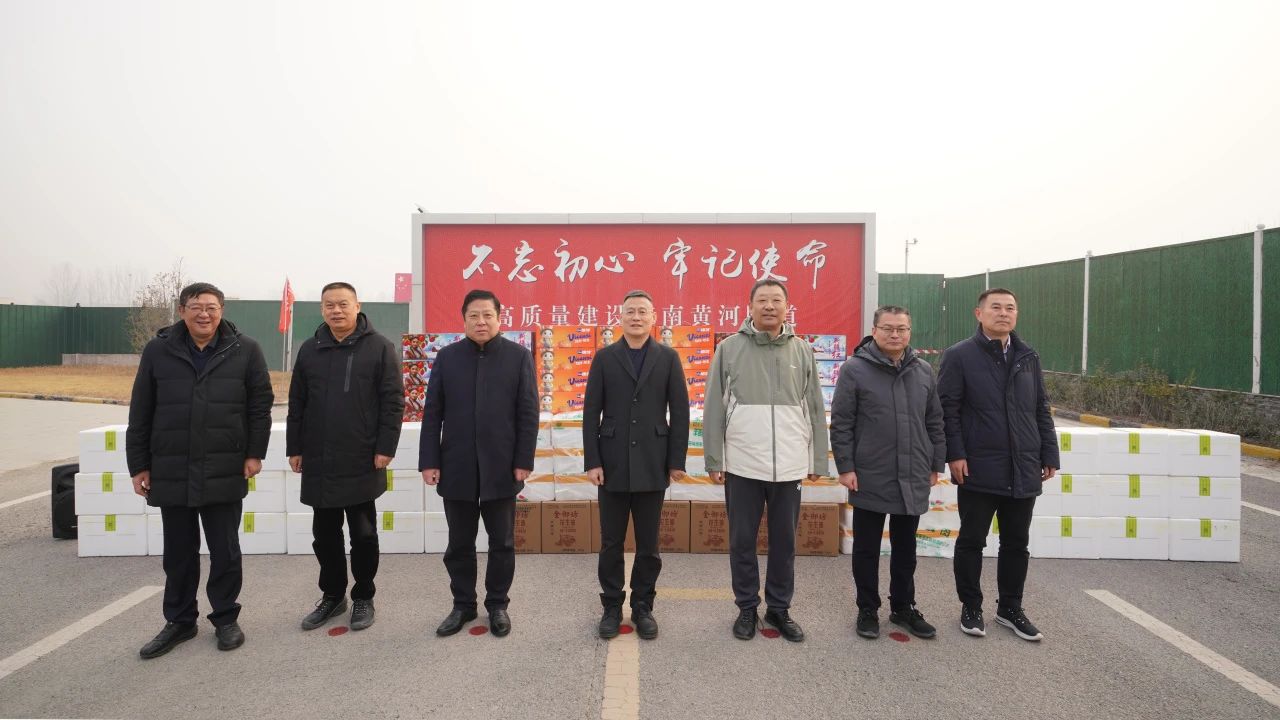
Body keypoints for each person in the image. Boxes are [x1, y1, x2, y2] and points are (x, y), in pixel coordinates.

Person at [126, 282, 273, 659]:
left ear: (221, 311)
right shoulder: (158, 350)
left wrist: (255, 453)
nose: (204, 314)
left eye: (211, 307)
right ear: (182, 311)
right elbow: (141, 409)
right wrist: (139, 465)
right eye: (196, 307)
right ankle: (179, 621)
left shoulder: (245, 349)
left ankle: (225, 618)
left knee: (225, 549)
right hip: (171, 465)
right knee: (178, 552)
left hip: (225, 465)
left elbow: (260, 407)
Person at [703, 279, 827, 643]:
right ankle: (746, 607)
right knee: (742, 540)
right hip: (743, 463)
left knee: (784, 542)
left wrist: (817, 458)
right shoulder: (729, 348)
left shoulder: (801, 350)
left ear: (787, 307)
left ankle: (779, 608)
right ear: (750, 306)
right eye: (762, 300)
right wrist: (714, 458)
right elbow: (714, 406)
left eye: (776, 300)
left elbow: (815, 406)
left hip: (789, 465)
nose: (769, 306)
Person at [938, 288, 1060, 641]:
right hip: (978, 466)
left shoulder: (1028, 356)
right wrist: (955, 454)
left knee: (1016, 543)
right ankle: (971, 607)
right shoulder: (960, 355)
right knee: (972, 541)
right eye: (996, 307)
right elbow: (948, 409)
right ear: (979, 313)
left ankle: (1010, 608)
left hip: (1023, 466)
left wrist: (1049, 453)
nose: (1003, 313)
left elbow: (1040, 408)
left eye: (1010, 308)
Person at [420, 289, 539, 637]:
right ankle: (463, 605)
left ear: (499, 318)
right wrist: (429, 460)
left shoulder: (518, 357)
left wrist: (523, 460)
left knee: (502, 542)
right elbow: (433, 414)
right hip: (456, 465)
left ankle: (498, 605)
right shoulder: (448, 358)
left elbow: (528, 413)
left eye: (488, 315)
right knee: (459, 543)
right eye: (474, 315)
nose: (481, 322)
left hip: (502, 465)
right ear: (464, 319)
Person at [287, 282, 404, 632]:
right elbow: (297, 402)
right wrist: (295, 447)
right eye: (329, 305)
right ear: (322, 309)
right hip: (319, 457)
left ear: (357, 306)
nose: (336, 310)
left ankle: (364, 596)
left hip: (362, 455)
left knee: (363, 534)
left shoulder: (379, 347)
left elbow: (393, 402)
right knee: (324, 535)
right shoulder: (310, 349)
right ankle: (333, 595)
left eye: (342, 304)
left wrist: (385, 447)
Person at [829, 305, 945, 640]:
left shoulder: (923, 371)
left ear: (909, 332)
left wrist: (935, 463)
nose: (895, 335)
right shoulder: (855, 369)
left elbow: (935, 420)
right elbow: (842, 422)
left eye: (902, 329)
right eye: (888, 328)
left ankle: (903, 607)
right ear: (874, 331)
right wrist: (846, 467)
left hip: (913, 471)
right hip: (870, 472)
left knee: (906, 548)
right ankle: (867, 609)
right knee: (866, 548)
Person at [582, 290, 689, 639]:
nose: (637, 317)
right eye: (630, 311)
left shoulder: (668, 358)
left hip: (652, 461)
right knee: (611, 542)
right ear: (621, 317)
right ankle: (612, 606)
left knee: (649, 545)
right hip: (611, 462)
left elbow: (680, 412)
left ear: (654, 317)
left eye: (643, 311)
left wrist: (675, 461)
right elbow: (590, 412)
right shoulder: (604, 358)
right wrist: (592, 460)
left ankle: (643, 606)